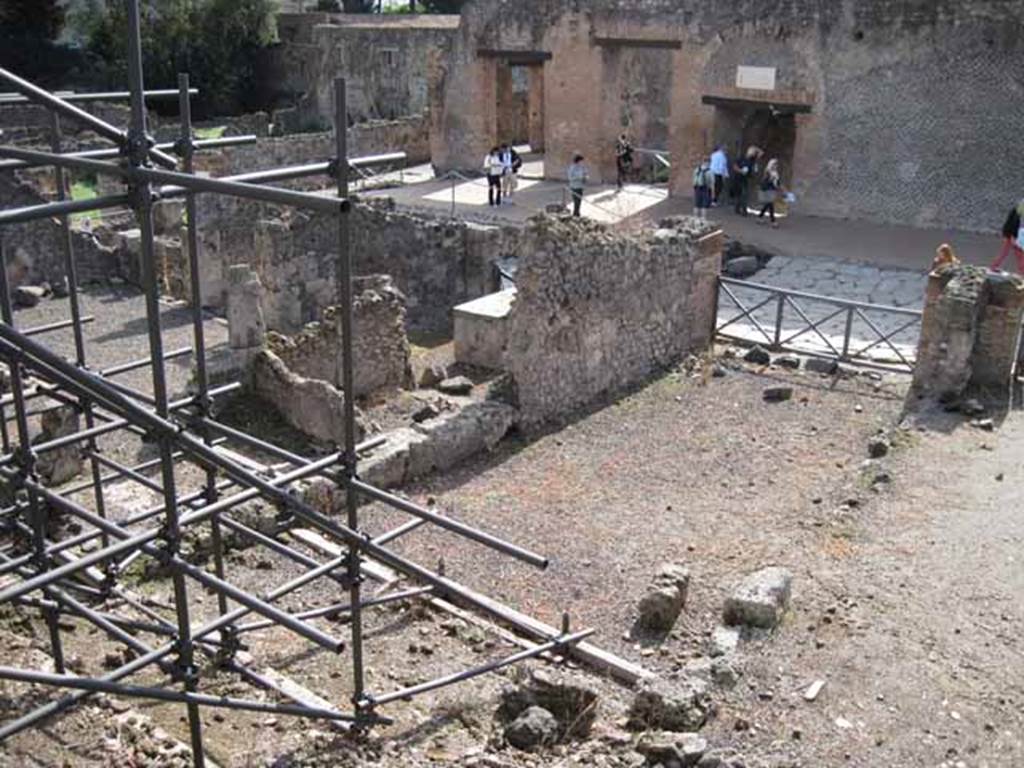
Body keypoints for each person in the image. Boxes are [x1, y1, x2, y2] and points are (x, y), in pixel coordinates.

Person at [991, 198, 1024, 273]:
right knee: (1019, 256)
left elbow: (1009, 225)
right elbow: (1013, 226)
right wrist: (1013, 237)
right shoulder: (1017, 215)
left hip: (1012, 236)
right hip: (1014, 237)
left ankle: (993, 267)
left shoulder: (1015, 212)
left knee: (1006, 253)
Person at [732, 146, 761, 216]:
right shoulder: (741, 158)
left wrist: (756, 149)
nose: (753, 153)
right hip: (738, 178)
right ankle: (737, 208)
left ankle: (744, 210)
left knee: (744, 194)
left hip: (746, 179)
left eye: (754, 152)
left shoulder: (753, 160)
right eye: (752, 152)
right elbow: (734, 166)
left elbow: (761, 153)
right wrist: (740, 171)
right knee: (739, 194)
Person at [757, 158, 783, 227]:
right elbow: (765, 181)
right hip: (767, 189)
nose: (776, 166)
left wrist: (780, 187)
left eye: (776, 164)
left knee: (768, 205)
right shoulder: (767, 171)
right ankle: (773, 221)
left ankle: (760, 216)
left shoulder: (776, 173)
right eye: (775, 164)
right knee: (770, 205)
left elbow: (777, 182)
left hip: (772, 190)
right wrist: (772, 178)